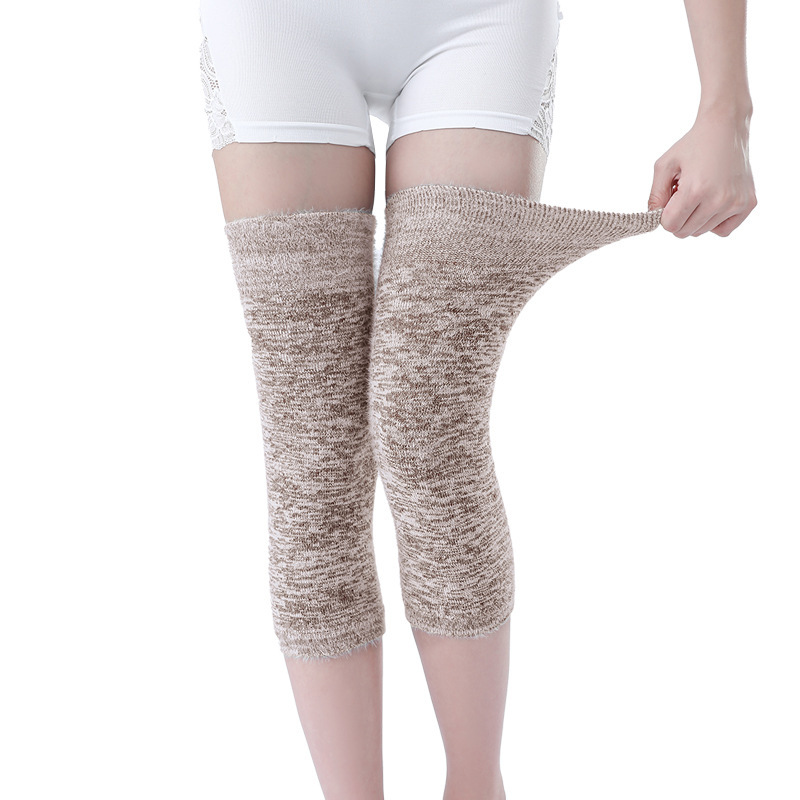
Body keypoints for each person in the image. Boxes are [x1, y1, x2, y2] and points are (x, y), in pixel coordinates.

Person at [197, 2, 757, 798]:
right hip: (279, 21)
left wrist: (725, 107)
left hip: (479, 18)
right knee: (312, 459)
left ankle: (476, 787)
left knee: (425, 423)